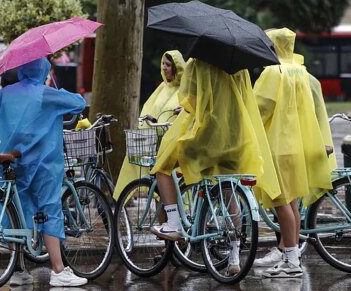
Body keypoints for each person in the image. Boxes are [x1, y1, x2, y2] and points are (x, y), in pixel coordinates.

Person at [151, 58, 281, 274]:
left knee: (163, 167)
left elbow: (190, 101)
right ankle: (234, 258)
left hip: (207, 136)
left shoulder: (197, 64)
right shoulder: (240, 67)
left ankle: (173, 222)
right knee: (229, 192)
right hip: (237, 137)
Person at [0, 57, 88, 287]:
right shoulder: (46, 94)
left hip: (12, 161)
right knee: (49, 209)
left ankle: (18, 269)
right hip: (43, 163)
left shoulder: (5, 93)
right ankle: (59, 270)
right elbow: (79, 103)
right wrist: (55, 86)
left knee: (15, 212)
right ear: (42, 70)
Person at [252, 29, 336, 278]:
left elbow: (260, 108)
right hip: (296, 145)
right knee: (292, 202)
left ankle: (290, 261)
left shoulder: (272, 72)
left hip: (278, 146)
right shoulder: (300, 70)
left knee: (280, 203)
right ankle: (292, 255)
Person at [113, 50, 185, 200]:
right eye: (163, 64)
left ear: (177, 68)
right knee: (159, 189)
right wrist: (150, 120)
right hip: (157, 143)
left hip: (174, 145)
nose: (164, 68)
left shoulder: (184, 90)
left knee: (170, 184)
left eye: (169, 65)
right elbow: (152, 109)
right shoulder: (162, 88)